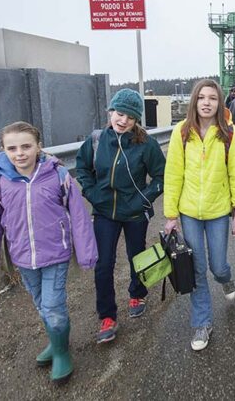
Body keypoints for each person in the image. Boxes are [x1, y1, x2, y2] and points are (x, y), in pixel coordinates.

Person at [0, 122, 98, 384]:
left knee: (53, 307)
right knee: (42, 306)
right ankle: (55, 344)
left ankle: (62, 352)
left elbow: (78, 216)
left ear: (38, 146)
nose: (19, 153)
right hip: (23, 256)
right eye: (12, 148)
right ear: (4, 150)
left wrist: (87, 253)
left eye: (26, 146)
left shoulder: (58, 175)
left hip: (56, 254)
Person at [163, 79, 235, 351]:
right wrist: (170, 214)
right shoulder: (182, 131)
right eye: (202, 97)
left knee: (218, 266)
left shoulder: (230, 134)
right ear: (194, 101)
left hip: (218, 210)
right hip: (189, 211)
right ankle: (202, 323)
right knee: (197, 268)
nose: (207, 102)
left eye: (212, 98)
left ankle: (227, 279)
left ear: (219, 102)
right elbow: (173, 174)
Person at [75, 89, 166, 344]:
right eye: (119, 113)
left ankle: (137, 293)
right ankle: (107, 316)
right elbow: (82, 167)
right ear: (111, 112)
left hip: (135, 211)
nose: (123, 120)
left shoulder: (146, 145)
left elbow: (161, 177)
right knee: (104, 264)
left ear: (137, 120)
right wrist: (92, 193)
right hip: (105, 211)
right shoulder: (96, 140)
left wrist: (144, 199)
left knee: (136, 255)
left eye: (130, 117)